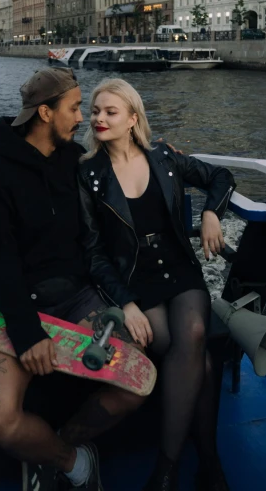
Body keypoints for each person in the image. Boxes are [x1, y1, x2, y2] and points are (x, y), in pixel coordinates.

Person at [0, 67, 145, 491]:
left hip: (77, 298)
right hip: (13, 305)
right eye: (74, 107)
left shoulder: (73, 164)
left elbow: (121, 171)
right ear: (45, 113)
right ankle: (70, 462)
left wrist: (158, 158)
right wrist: (28, 334)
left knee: (135, 386)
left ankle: (55, 449)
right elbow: (1, 261)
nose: (82, 117)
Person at [78, 79, 236, 491]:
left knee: (195, 331)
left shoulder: (164, 158)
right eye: (95, 111)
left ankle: (164, 472)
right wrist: (126, 303)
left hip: (179, 270)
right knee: (191, 354)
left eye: (110, 112)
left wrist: (211, 214)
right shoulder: (89, 175)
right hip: (134, 277)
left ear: (132, 119)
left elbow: (221, 176)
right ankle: (209, 463)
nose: (98, 118)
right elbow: (93, 253)